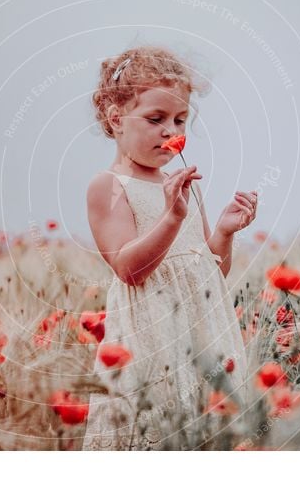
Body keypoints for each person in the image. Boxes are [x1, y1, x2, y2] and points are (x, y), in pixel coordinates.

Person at [81, 45, 259, 450]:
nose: (170, 130)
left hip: (200, 328)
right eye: (155, 118)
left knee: (202, 429)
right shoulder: (108, 185)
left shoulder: (179, 186)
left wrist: (225, 234)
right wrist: (171, 218)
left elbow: (207, 270)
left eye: (180, 119)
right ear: (117, 119)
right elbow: (128, 268)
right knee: (157, 428)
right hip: (151, 335)